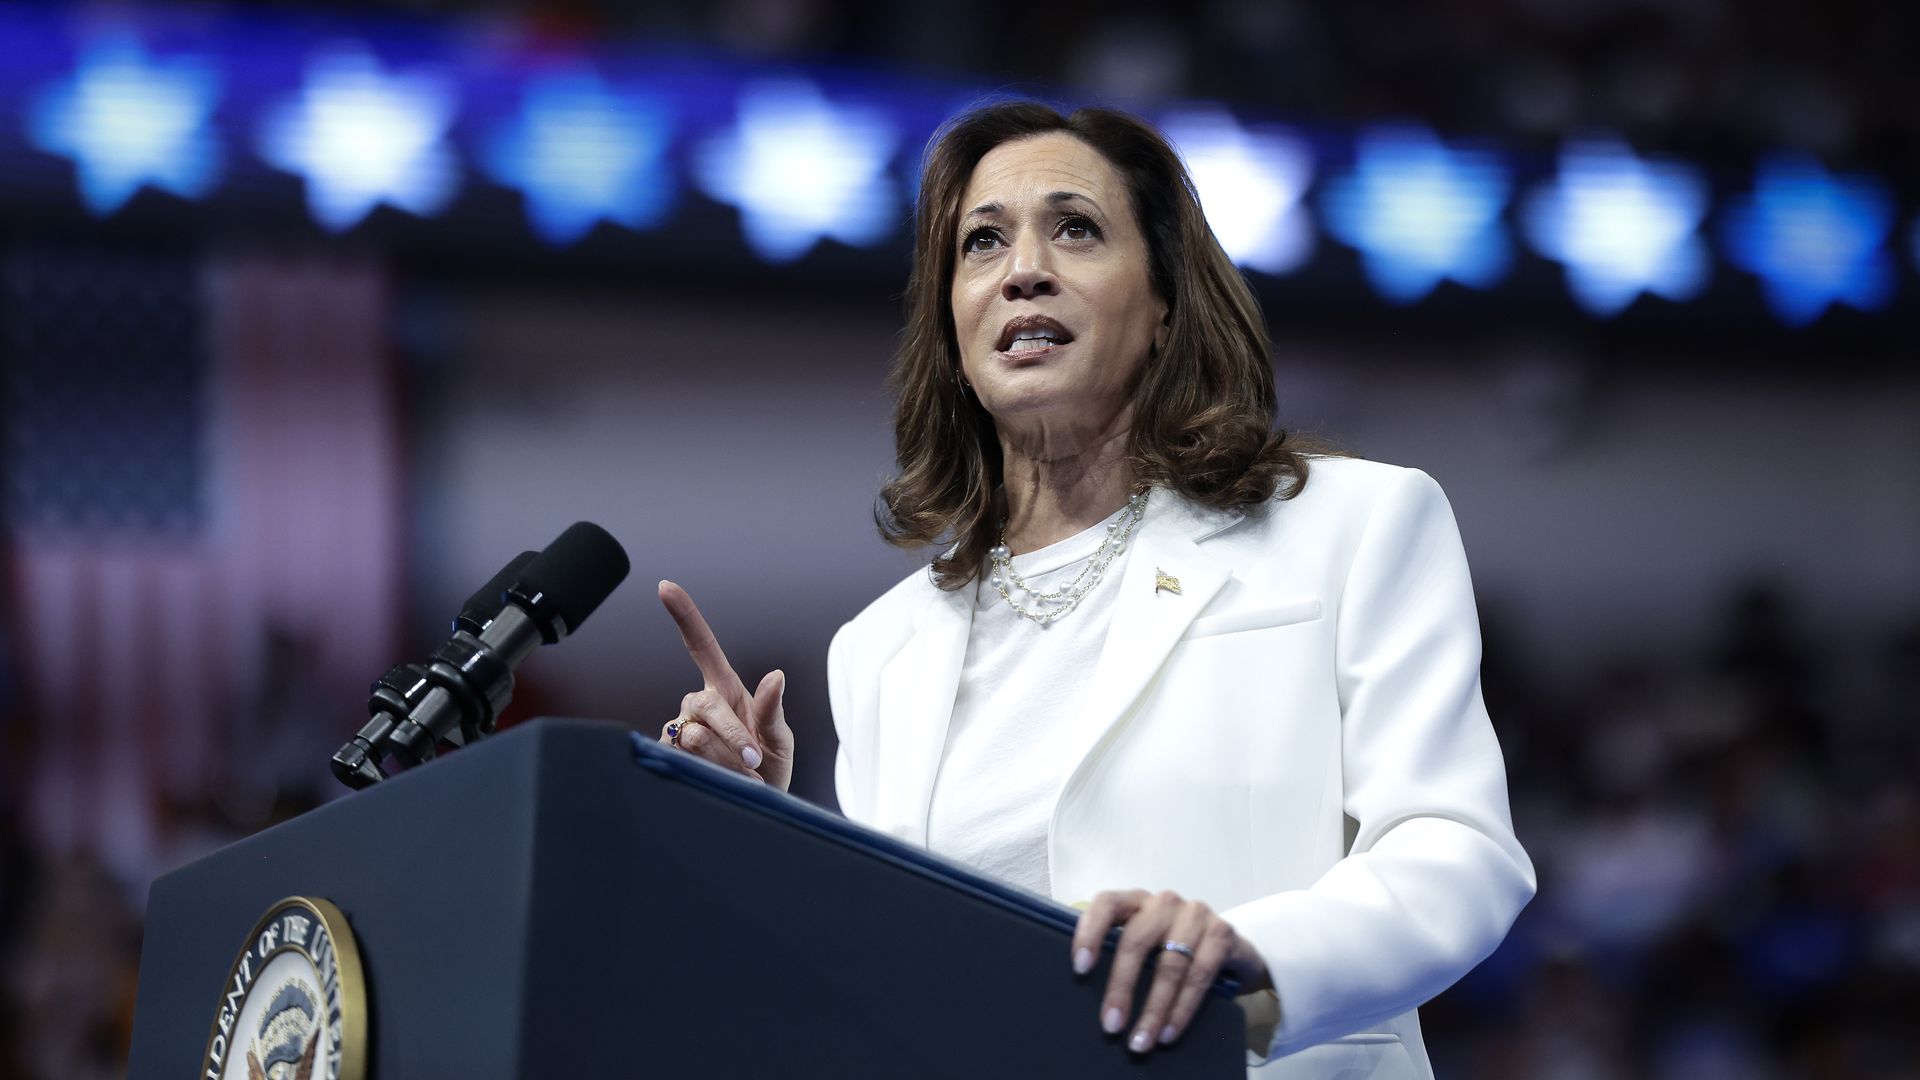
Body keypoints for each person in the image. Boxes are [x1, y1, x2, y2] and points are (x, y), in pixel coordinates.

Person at [656, 101, 1534, 1078]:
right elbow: (896, 981)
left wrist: (1249, 959)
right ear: (952, 325)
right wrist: (765, 840)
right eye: (982, 242)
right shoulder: (881, 649)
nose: (1023, 269)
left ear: (1165, 308)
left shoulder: (1354, 525)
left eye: (1075, 228)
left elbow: (1458, 857)